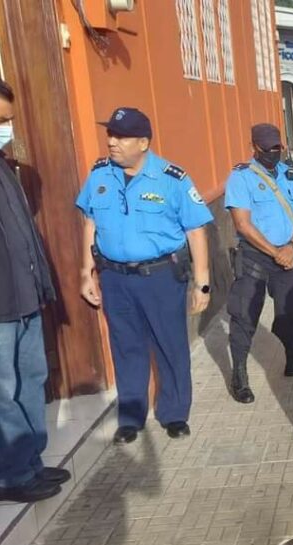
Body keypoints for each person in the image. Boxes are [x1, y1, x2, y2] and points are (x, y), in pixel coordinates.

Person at [78, 107, 212, 445]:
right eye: (110, 135)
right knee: (126, 347)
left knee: (170, 346)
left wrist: (202, 282)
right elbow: (90, 222)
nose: (112, 142)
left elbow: (196, 230)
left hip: (161, 277)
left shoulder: (172, 178)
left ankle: (174, 413)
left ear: (143, 142)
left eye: (121, 137)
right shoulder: (99, 175)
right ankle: (131, 417)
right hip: (115, 278)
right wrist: (86, 271)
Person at [0, 71, 66, 503]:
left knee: (32, 378)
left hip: (26, 297)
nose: (6, 129)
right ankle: (5, 475)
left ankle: (29, 463)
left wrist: (42, 287)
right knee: (0, 391)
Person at [225, 123, 293, 404]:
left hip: (287, 254)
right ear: (254, 148)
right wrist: (275, 251)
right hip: (255, 256)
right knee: (244, 315)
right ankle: (240, 375)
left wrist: (291, 246)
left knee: (290, 311)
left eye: (277, 148)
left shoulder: (289, 175)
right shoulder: (240, 178)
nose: (273, 153)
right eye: (267, 149)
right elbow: (243, 225)